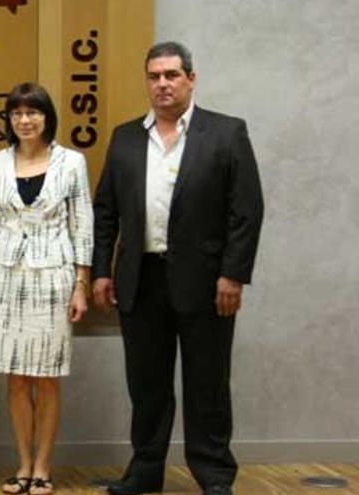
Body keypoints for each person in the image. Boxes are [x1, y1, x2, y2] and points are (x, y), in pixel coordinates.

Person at [92, 42, 264, 495]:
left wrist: (233, 274)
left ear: (191, 78)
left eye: (171, 75)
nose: (162, 84)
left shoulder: (226, 133)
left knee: (208, 383)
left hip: (206, 282)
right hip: (139, 279)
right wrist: (101, 271)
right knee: (147, 384)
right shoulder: (125, 136)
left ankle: (213, 474)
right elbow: (105, 210)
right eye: (154, 76)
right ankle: (146, 469)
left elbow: (246, 211)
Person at [0, 82, 93, 495]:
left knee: (47, 378)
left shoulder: (72, 163)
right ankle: (22, 463)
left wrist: (81, 284)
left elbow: (82, 226)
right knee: (16, 380)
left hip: (53, 278)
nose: (25, 120)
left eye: (33, 112)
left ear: (47, 117)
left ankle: (43, 465)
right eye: (17, 113)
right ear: (9, 120)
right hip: (6, 278)